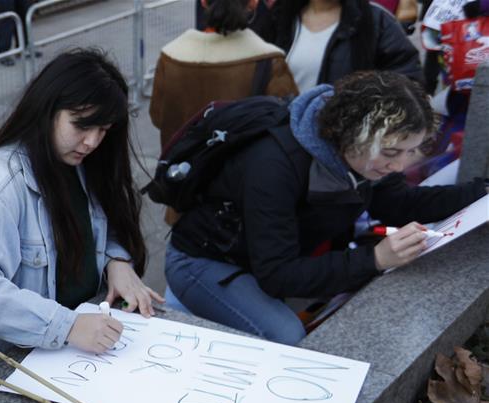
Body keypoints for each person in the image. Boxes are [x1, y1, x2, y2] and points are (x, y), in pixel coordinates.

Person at [164, 71, 487, 344]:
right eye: (391, 153)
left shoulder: (360, 154)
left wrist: (481, 192)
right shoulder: (275, 165)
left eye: (410, 151)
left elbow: (399, 203)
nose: (400, 166)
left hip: (262, 255)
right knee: (287, 335)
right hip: (202, 261)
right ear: (352, 134)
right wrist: (375, 258)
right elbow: (277, 274)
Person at [0, 49, 162, 369]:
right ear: (47, 110)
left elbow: (110, 225)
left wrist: (117, 260)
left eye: (102, 130)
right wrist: (67, 326)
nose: (91, 142)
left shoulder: (84, 164)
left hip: (71, 354)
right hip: (9, 363)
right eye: (81, 126)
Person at [150, 0, 298, 153]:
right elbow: (286, 120)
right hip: (244, 171)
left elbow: (158, 118)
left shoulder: (170, 58)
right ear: (253, 3)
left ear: (203, 2)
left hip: (182, 169)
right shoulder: (270, 61)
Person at [254, 0, 423, 93]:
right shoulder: (279, 17)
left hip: (344, 142)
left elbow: (407, 82)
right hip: (282, 137)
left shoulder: (376, 22)